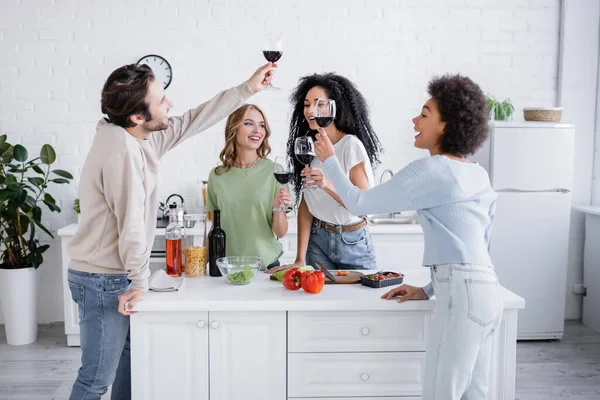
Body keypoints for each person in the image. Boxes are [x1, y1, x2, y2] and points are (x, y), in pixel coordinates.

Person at [65, 61, 276, 400]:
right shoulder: (121, 152)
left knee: (130, 365)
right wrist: (138, 281)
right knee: (95, 379)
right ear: (137, 115)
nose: (170, 105)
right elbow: (131, 223)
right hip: (102, 279)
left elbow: (194, 119)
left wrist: (246, 89)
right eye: (162, 100)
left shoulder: (138, 137)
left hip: (110, 275)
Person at [313, 74, 503, 400]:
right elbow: (477, 245)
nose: (415, 120)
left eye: (425, 114)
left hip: (462, 296)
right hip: (487, 294)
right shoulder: (477, 174)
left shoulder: (431, 171)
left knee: (440, 393)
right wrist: (428, 289)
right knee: (475, 394)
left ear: (446, 125)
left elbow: (361, 204)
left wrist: (330, 160)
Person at [269, 72, 383, 273]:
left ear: (334, 107)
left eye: (319, 104)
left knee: (359, 302)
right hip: (317, 242)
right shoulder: (309, 147)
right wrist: (299, 259)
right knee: (315, 302)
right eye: (306, 104)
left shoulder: (350, 145)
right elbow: (307, 203)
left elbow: (365, 206)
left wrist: (326, 184)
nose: (311, 110)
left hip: (351, 242)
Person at [205, 104, 292, 269]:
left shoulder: (274, 171)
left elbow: (280, 232)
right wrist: (199, 264)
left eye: (261, 125)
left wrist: (278, 209)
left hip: (266, 266)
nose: (257, 130)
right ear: (234, 128)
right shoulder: (217, 175)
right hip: (227, 267)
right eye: (248, 123)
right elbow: (213, 228)